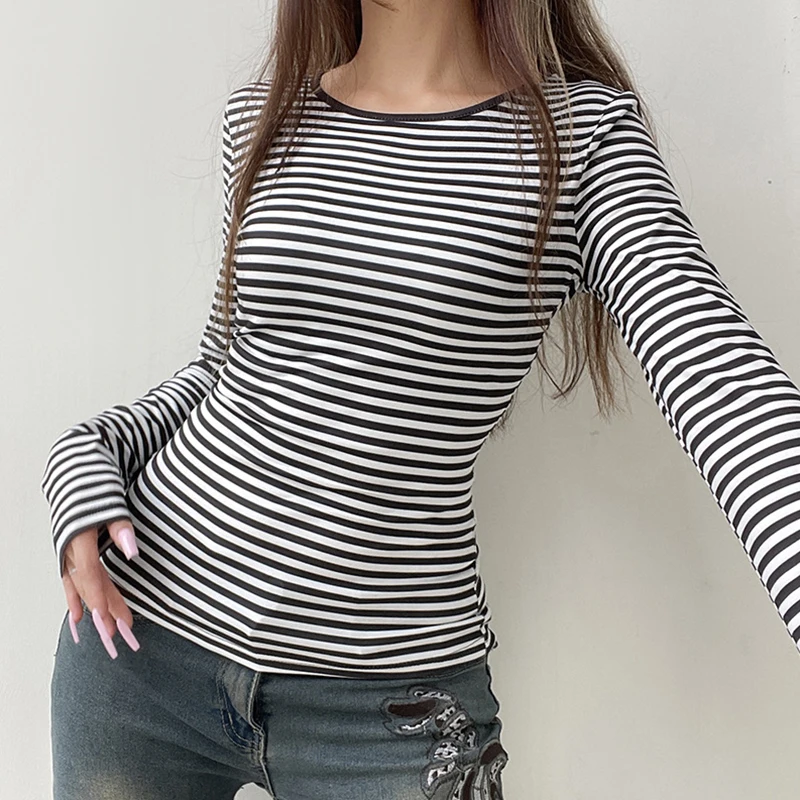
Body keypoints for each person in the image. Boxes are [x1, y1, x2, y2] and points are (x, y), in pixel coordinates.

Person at [41, 1, 800, 798]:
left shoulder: (581, 139)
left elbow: (723, 379)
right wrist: (85, 450)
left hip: (394, 708)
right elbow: (224, 370)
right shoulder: (265, 119)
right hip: (142, 646)